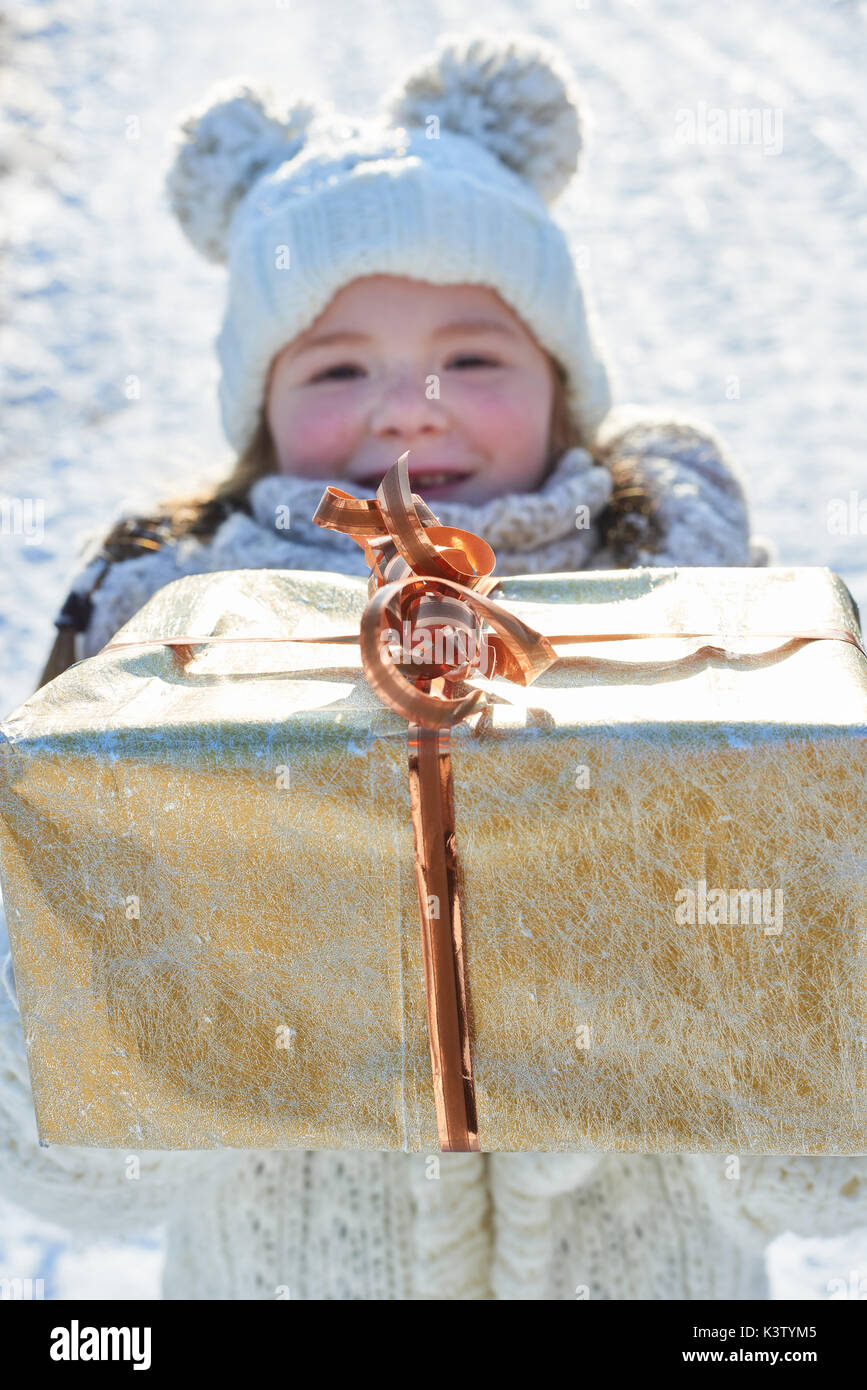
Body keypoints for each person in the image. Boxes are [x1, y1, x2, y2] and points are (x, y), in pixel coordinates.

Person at [2, 29, 863, 1301]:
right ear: (261, 410)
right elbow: (77, 1170)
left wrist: (740, 967)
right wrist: (193, 961)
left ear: (566, 388)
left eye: (473, 354)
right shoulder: (163, 655)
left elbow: (821, 1182)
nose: (411, 404)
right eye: (341, 364)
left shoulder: (706, 632)